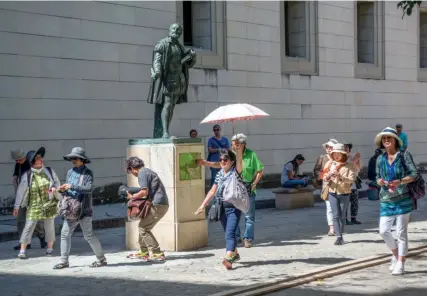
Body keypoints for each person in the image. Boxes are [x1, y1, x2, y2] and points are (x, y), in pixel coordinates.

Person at [196, 133, 264, 248]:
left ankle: (247, 238)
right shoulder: (230, 156)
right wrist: (208, 164)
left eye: (237, 144)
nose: (234, 147)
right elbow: (222, 164)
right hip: (233, 190)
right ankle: (236, 237)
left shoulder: (251, 155)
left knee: (249, 216)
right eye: (233, 144)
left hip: (248, 188)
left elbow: (259, 170)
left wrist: (254, 183)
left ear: (243, 144)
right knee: (234, 215)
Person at [53, 147, 107, 269]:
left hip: (83, 209)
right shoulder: (70, 172)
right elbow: (68, 189)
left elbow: (88, 188)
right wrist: (63, 189)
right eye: (72, 158)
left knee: (88, 235)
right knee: (64, 234)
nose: (73, 160)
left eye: (75, 158)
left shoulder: (88, 173)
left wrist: (72, 186)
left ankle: (101, 259)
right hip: (70, 208)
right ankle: (63, 261)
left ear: (82, 160)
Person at [375, 127, 418, 275]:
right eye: (384, 138)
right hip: (386, 199)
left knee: (401, 233)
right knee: (383, 231)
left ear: (395, 140)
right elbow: (376, 176)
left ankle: (401, 262)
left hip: (403, 198)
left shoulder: (404, 155)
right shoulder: (380, 158)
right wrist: (379, 181)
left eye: (389, 138)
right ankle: (395, 255)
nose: (386, 140)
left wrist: (400, 181)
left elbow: (414, 174)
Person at [195, 149, 244, 270]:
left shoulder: (236, 172)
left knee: (230, 232)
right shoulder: (219, 174)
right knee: (228, 231)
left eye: (225, 160)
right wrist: (203, 205)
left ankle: (228, 258)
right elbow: (213, 190)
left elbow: (239, 161)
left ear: (232, 162)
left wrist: (238, 149)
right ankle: (235, 253)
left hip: (233, 207)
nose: (222, 161)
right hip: (221, 206)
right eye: (221, 160)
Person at [13, 147, 60, 259]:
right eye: (38, 159)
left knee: (49, 227)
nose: (41, 160)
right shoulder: (27, 175)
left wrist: (54, 187)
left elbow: (57, 182)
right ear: (33, 162)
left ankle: (49, 249)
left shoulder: (49, 171)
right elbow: (20, 192)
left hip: (48, 203)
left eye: (40, 158)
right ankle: (22, 250)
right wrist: (16, 207)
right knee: (28, 226)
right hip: (34, 205)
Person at [125, 156, 169, 261]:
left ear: (131, 168)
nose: (133, 175)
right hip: (160, 204)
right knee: (143, 226)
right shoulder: (147, 171)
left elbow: (144, 192)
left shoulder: (142, 173)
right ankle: (144, 251)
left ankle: (157, 252)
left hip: (158, 205)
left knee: (143, 228)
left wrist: (132, 197)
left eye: (130, 172)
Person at [11, 148, 46, 250]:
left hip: (33, 196)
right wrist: (15, 178)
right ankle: (24, 242)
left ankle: (42, 237)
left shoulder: (31, 163)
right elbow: (15, 175)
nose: (17, 162)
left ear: (24, 157)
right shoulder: (18, 163)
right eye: (16, 160)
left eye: (19, 160)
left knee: (35, 221)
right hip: (21, 196)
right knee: (21, 220)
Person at [322, 143, 356, 246]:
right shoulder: (330, 164)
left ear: (343, 155)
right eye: (334, 154)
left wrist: (340, 176)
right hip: (332, 192)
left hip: (344, 193)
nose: (336, 156)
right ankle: (338, 237)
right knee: (335, 215)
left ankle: (340, 233)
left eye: (338, 154)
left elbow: (351, 179)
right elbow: (324, 177)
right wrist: (327, 177)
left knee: (342, 216)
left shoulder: (349, 166)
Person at [313, 138, 338, 236]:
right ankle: (331, 227)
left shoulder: (339, 157)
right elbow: (316, 170)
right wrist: (323, 176)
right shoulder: (322, 158)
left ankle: (338, 226)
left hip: (338, 184)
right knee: (329, 207)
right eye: (327, 146)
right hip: (326, 184)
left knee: (338, 207)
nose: (328, 148)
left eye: (330, 146)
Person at [343, 141, 362, 225]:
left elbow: (358, 169)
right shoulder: (342, 157)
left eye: (347, 147)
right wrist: (355, 159)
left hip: (353, 182)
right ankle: (345, 219)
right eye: (344, 147)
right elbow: (348, 165)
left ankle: (353, 218)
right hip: (345, 183)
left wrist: (358, 161)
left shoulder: (352, 156)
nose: (346, 148)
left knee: (354, 202)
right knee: (346, 202)